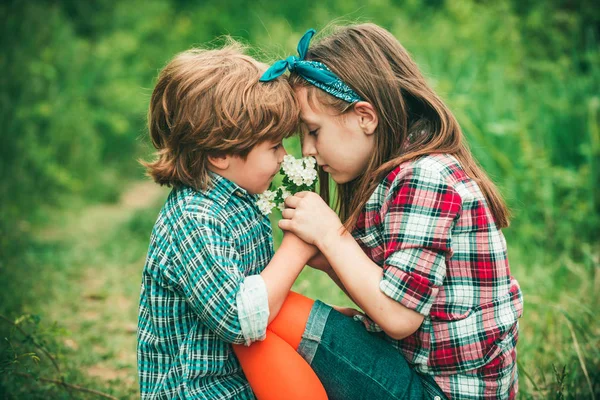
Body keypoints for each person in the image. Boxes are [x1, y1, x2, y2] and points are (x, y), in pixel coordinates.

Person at [236, 25, 524, 400]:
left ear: (365, 117)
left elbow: (399, 317)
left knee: (279, 316)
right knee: (290, 318)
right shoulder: (396, 175)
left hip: (440, 392)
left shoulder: (426, 177)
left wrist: (332, 236)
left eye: (313, 132)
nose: (307, 151)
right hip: (419, 371)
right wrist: (330, 262)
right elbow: (395, 296)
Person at [136, 42, 328, 400]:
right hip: (200, 391)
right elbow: (240, 319)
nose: (285, 157)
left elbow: (262, 294)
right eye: (273, 147)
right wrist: (298, 247)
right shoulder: (194, 218)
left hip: (244, 382)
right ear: (220, 153)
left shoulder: (239, 202)